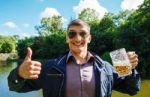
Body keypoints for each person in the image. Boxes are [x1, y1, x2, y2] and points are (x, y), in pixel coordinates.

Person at [8, 19, 140, 97]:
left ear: (89, 38)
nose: (77, 38)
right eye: (72, 34)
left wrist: (130, 69)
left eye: (83, 34)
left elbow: (132, 89)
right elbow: (15, 87)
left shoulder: (106, 67)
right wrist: (19, 73)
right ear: (67, 38)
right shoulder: (49, 67)